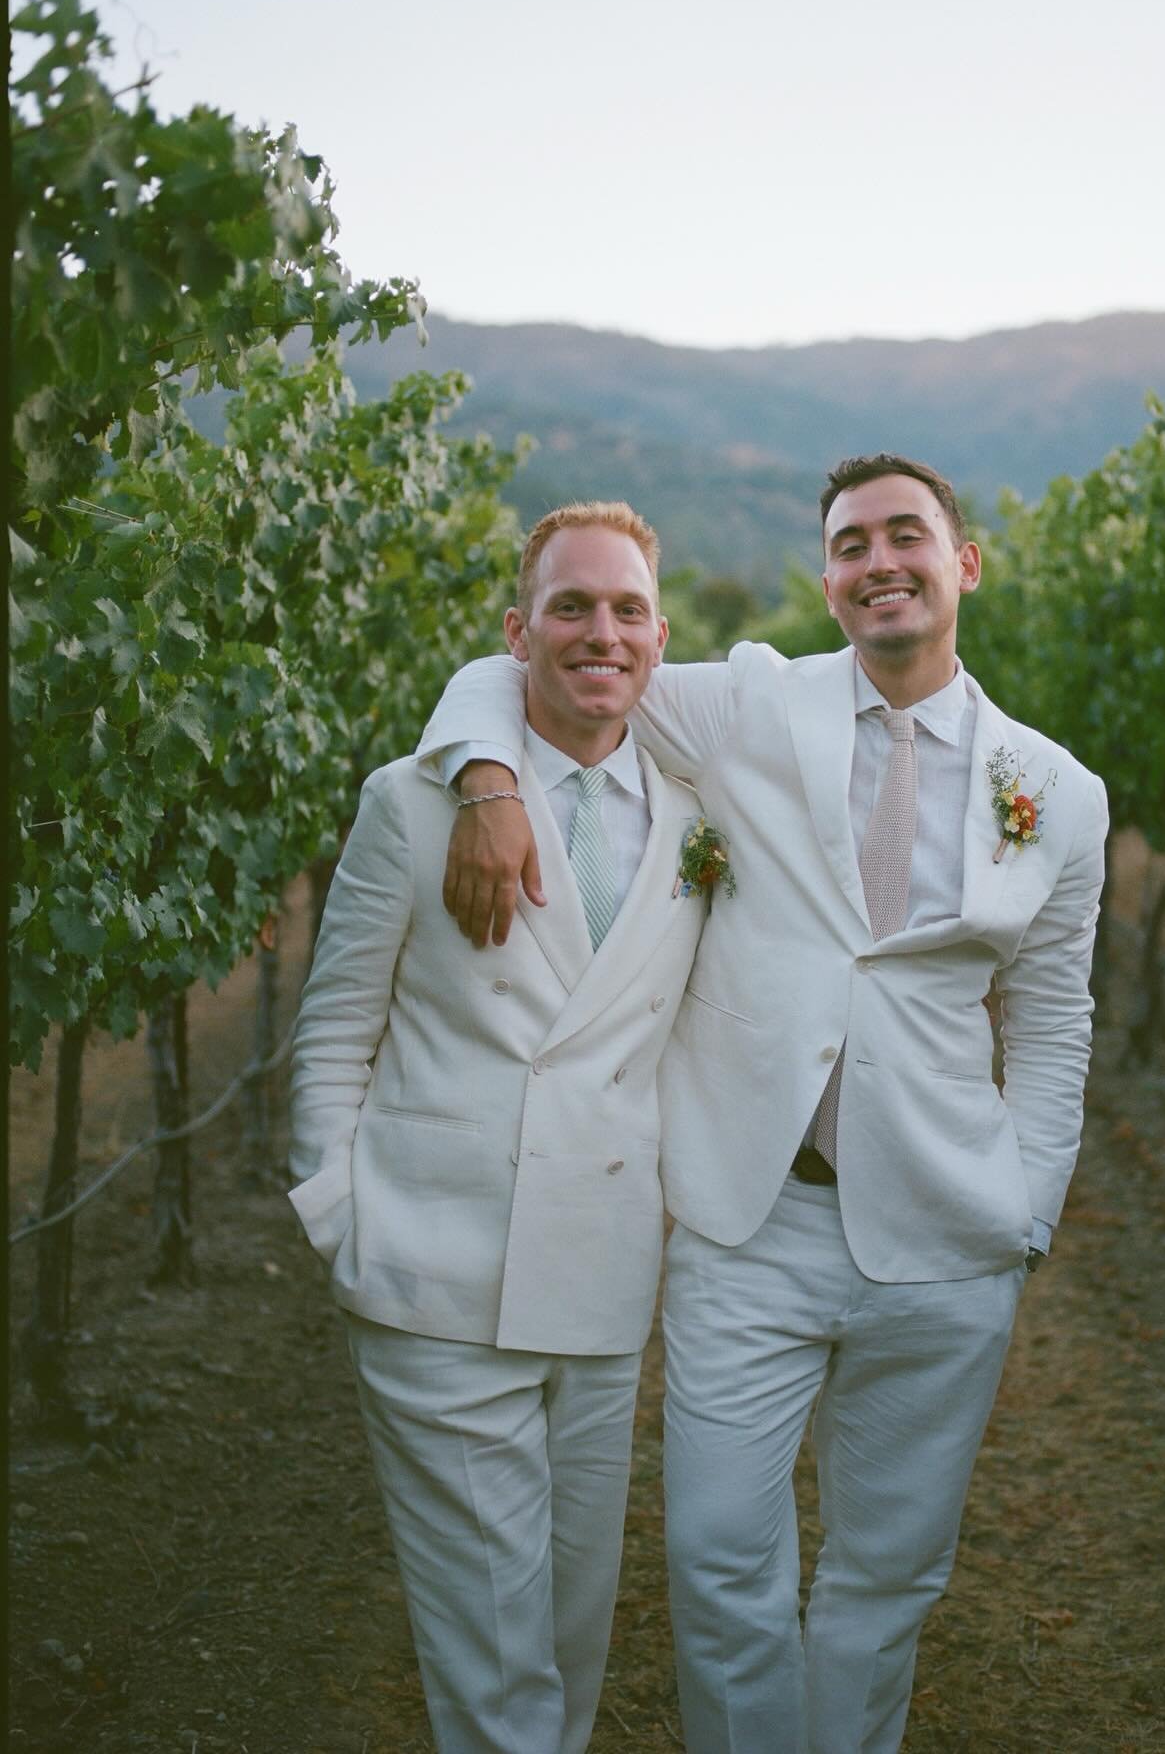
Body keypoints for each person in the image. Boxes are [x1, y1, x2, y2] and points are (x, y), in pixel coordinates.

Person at [416, 453, 1108, 1754]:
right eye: (850, 543)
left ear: (963, 564)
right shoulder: (748, 708)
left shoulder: (1060, 794)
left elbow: (1058, 1017)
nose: (879, 560)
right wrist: (487, 781)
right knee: (723, 1573)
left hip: (948, 1246)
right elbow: (526, 672)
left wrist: (1027, 1215)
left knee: (882, 1587)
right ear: (831, 579)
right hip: (749, 1228)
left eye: (908, 535)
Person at [288, 501, 711, 1754]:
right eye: (570, 606)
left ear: (661, 635)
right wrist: (339, 1214)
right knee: (490, 1652)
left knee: (569, 1636)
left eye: (627, 608)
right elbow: (332, 1029)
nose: (601, 631)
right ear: (517, 632)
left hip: (599, 1271)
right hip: (432, 1275)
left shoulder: (703, 813)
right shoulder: (412, 803)